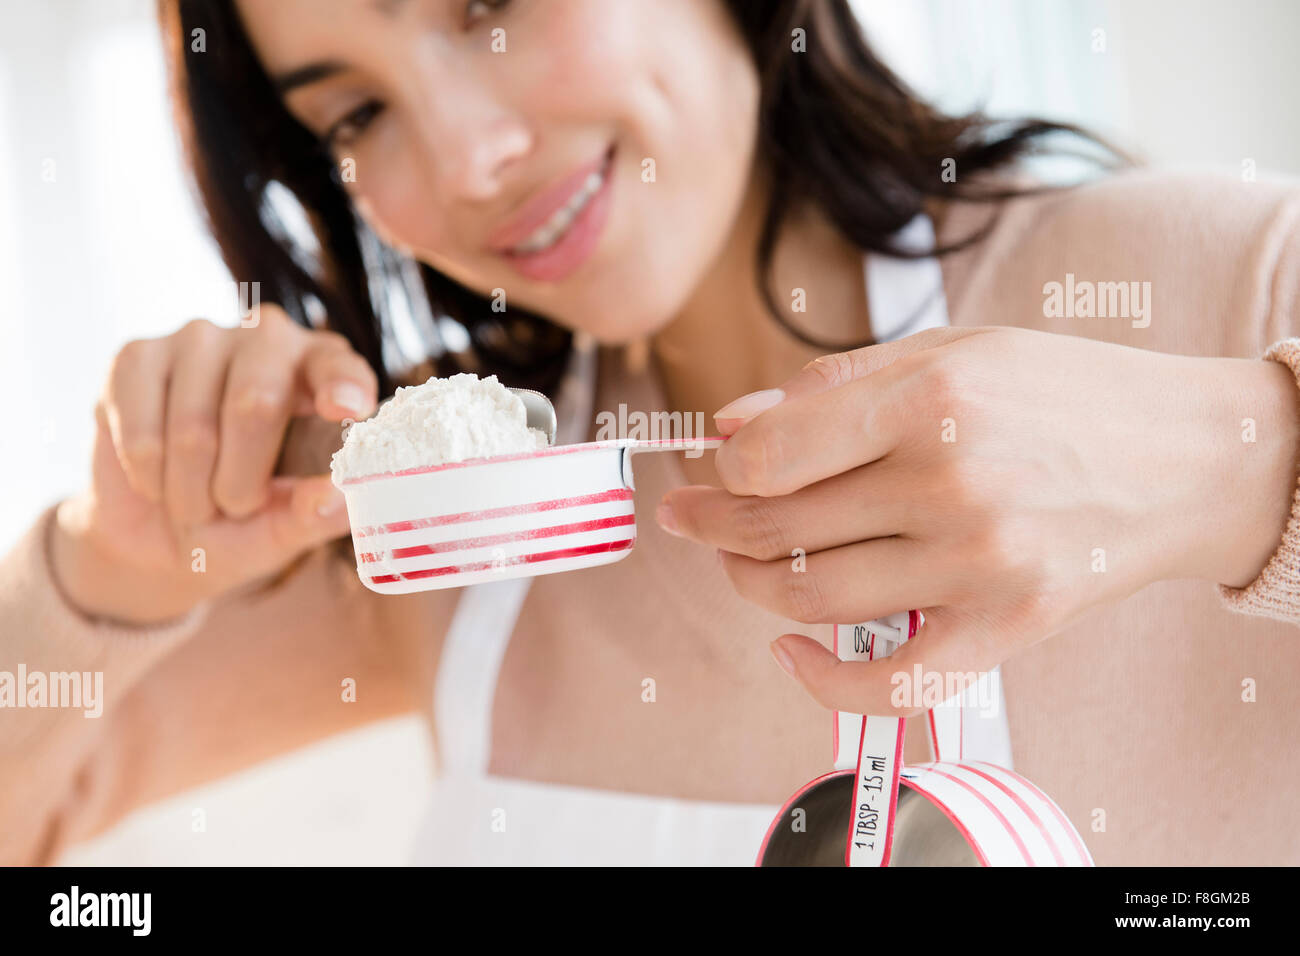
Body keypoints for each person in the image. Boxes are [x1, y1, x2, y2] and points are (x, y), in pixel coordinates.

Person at [3, 0, 1299, 865]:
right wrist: (107, 561)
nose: (464, 158)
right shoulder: (462, 504)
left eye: (489, 5)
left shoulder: (1221, 284)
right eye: (355, 113)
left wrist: (1241, 463)